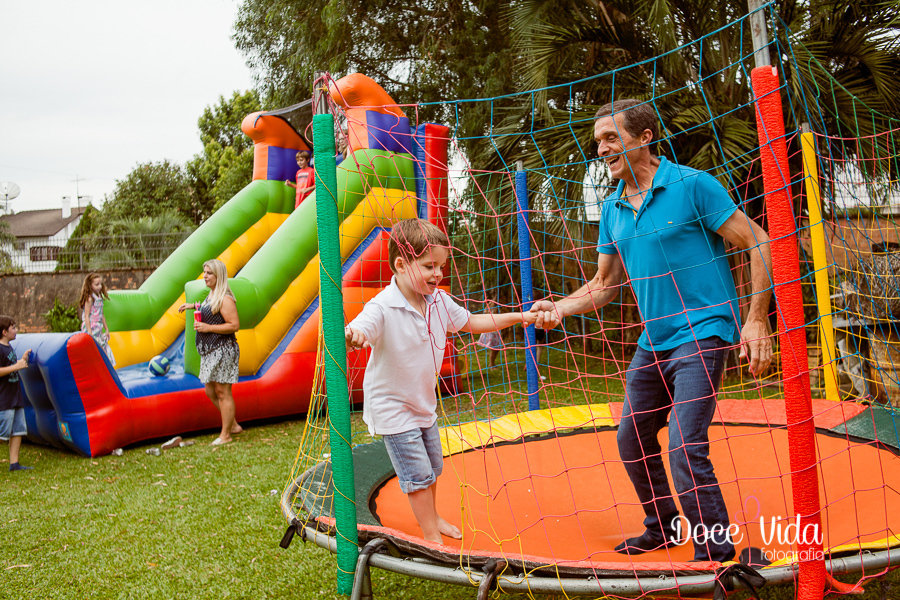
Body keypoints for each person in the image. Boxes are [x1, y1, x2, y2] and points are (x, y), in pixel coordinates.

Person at [530, 99, 773, 563]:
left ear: (644, 138)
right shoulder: (613, 208)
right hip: (654, 341)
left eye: (610, 137)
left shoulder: (691, 186)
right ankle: (662, 527)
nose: (601, 149)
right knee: (631, 440)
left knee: (684, 444)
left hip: (705, 331)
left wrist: (756, 318)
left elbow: (757, 240)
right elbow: (603, 285)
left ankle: (716, 555)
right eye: (597, 141)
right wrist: (559, 308)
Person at [345, 218, 537, 544]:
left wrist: (521, 316)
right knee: (418, 475)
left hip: (423, 402)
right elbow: (360, 329)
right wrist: (354, 335)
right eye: (429, 266)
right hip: (392, 405)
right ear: (401, 265)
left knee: (434, 467)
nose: (438, 274)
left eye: (442, 267)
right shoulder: (383, 306)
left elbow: (473, 322)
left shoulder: (438, 300)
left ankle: (431, 518)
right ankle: (432, 536)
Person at [178, 259, 242, 446]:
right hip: (210, 351)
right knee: (210, 391)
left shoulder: (225, 298)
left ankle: (226, 435)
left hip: (223, 350)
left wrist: (208, 328)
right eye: (204, 272)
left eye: (209, 273)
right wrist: (193, 306)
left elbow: (234, 325)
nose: (204, 276)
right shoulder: (212, 294)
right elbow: (209, 310)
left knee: (223, 391)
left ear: (218, 276)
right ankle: (234, 425)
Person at [0, 316, 33, 471]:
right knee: (2, 434)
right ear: (4, 332)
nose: (16, 330)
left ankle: (14, 464)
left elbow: (12, 366)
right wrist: (16, 366)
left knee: (18, 430)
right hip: (4, 398)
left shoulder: (9, 348)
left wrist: (22, 360)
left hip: (15, 395)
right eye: (13, 328)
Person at [79, 273, 115, 366]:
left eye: (100, 284)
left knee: (105, 348)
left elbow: (101, 314)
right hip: (91, 326)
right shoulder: (90, 299)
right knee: (98, 350)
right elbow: (86, 316)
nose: (99, 286)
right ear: (90, 285)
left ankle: (107, 367)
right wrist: (90, 333)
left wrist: (106, 329)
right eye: (96, 284)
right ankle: (103, 367)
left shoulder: (99, 297)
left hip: (98, 327)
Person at [475, 295, 503, 367]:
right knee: (495, 349)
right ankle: (492, 364)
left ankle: (492, 363)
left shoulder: (492, 309)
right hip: (492, 332)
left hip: (493, 331)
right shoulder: (495, 309)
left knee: (496, 349)